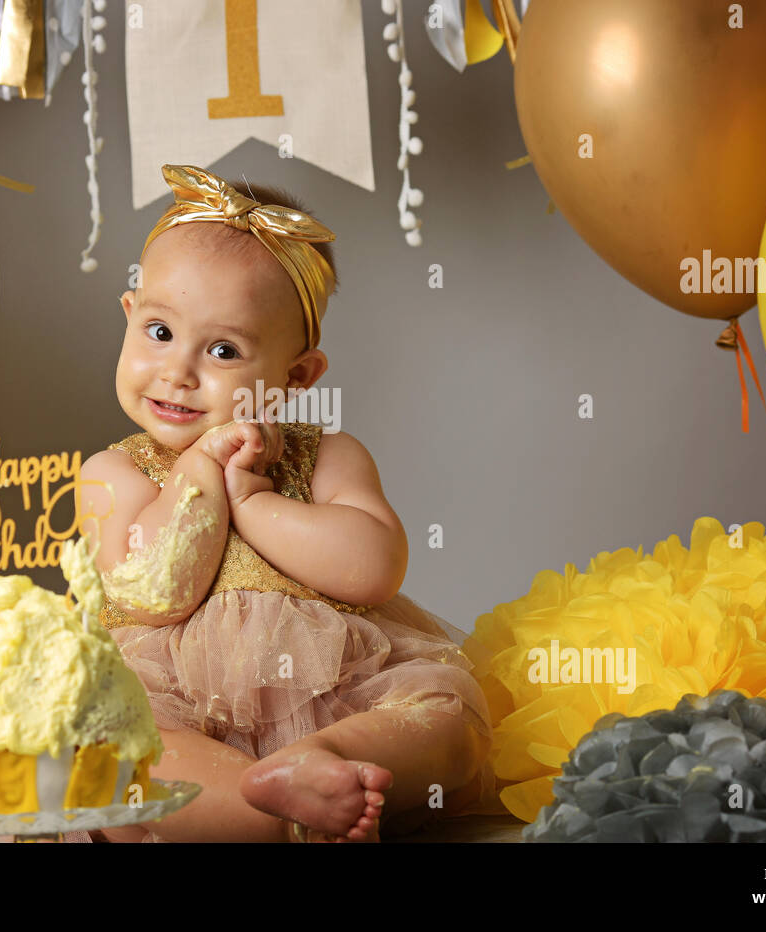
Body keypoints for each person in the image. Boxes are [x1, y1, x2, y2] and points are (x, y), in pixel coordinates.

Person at [74, 164, 496, 842]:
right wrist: (204, 472)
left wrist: (257, 499)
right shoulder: (116, 473)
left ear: (296, 376)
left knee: (449, 718)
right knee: (116, 754)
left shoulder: (328, 456)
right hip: (170, 702)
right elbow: (157, 591)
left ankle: (324, 762)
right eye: (159, 332)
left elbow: (373, 569)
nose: (179, 371)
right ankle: (270, 814)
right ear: (129, 314)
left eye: (223, 349)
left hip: (338, 691)